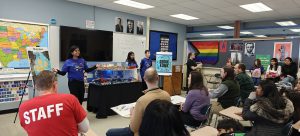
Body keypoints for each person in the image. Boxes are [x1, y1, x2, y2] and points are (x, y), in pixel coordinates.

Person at [19, 70, 89, 136]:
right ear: (55, 85)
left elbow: (31, 130)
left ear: (36, 87)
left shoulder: (23, 108)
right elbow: (85, 128)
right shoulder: (70, 99)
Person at [106, 68, 171, 136]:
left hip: (145, 132)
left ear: (144, 79)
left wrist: (132, 114)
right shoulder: (167, 95)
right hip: (161, 131)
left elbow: (133, 128)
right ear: (157, 78)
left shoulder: (141, 100)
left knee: (109, 132)